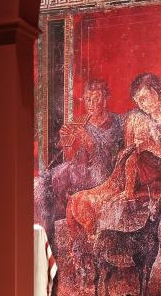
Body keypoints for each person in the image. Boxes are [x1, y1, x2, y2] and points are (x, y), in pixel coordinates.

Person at [66, 72, 161, 240]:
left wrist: (150, 146)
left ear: (155, 93)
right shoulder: (139, 118)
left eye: (144, 98)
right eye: (138, 101)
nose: (141, 105)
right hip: (153, 179)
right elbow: (129, 152)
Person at [34, 79, 125, 245]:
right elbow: (70, 155)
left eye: (96, 99)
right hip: (77, 170)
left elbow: (109, 158)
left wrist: (89, 141)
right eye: (88, 99)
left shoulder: (117, 123)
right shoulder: (81, 122)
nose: (91, 104)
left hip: (102, 174)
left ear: (105, 98)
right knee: (41, 184)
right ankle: (46, 237)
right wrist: (68, 141)